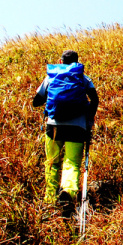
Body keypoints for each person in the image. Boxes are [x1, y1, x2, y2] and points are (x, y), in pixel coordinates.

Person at [32, 50, 99, 218]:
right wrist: (88, 118)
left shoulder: (51, 77)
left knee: (52, 162)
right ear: (77, 62)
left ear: (60, 61)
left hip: (53, 125)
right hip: (77, 127)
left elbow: (36, 101)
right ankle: (68, 192)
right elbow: (95, 99)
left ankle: (50, 198)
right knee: (72, 163)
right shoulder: (83, 78)